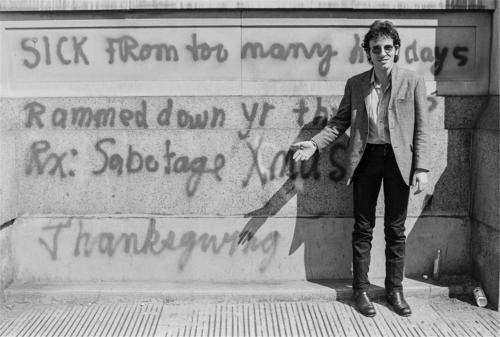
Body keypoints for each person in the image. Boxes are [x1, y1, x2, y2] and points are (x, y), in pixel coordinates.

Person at [292, 20, 430, 317]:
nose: (382, 53)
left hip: (398, 160)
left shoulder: (413, 81)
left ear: (396, 50)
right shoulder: (356, 84)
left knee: (395, 229)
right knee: (363, 227)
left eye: (388, 48)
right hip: (366, 158)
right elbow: (340, 122)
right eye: (375, 48)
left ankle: (395, 290)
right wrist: (314, 145)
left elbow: (421, 128)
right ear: (368, 52)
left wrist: (421, 167)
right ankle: (361, 291)